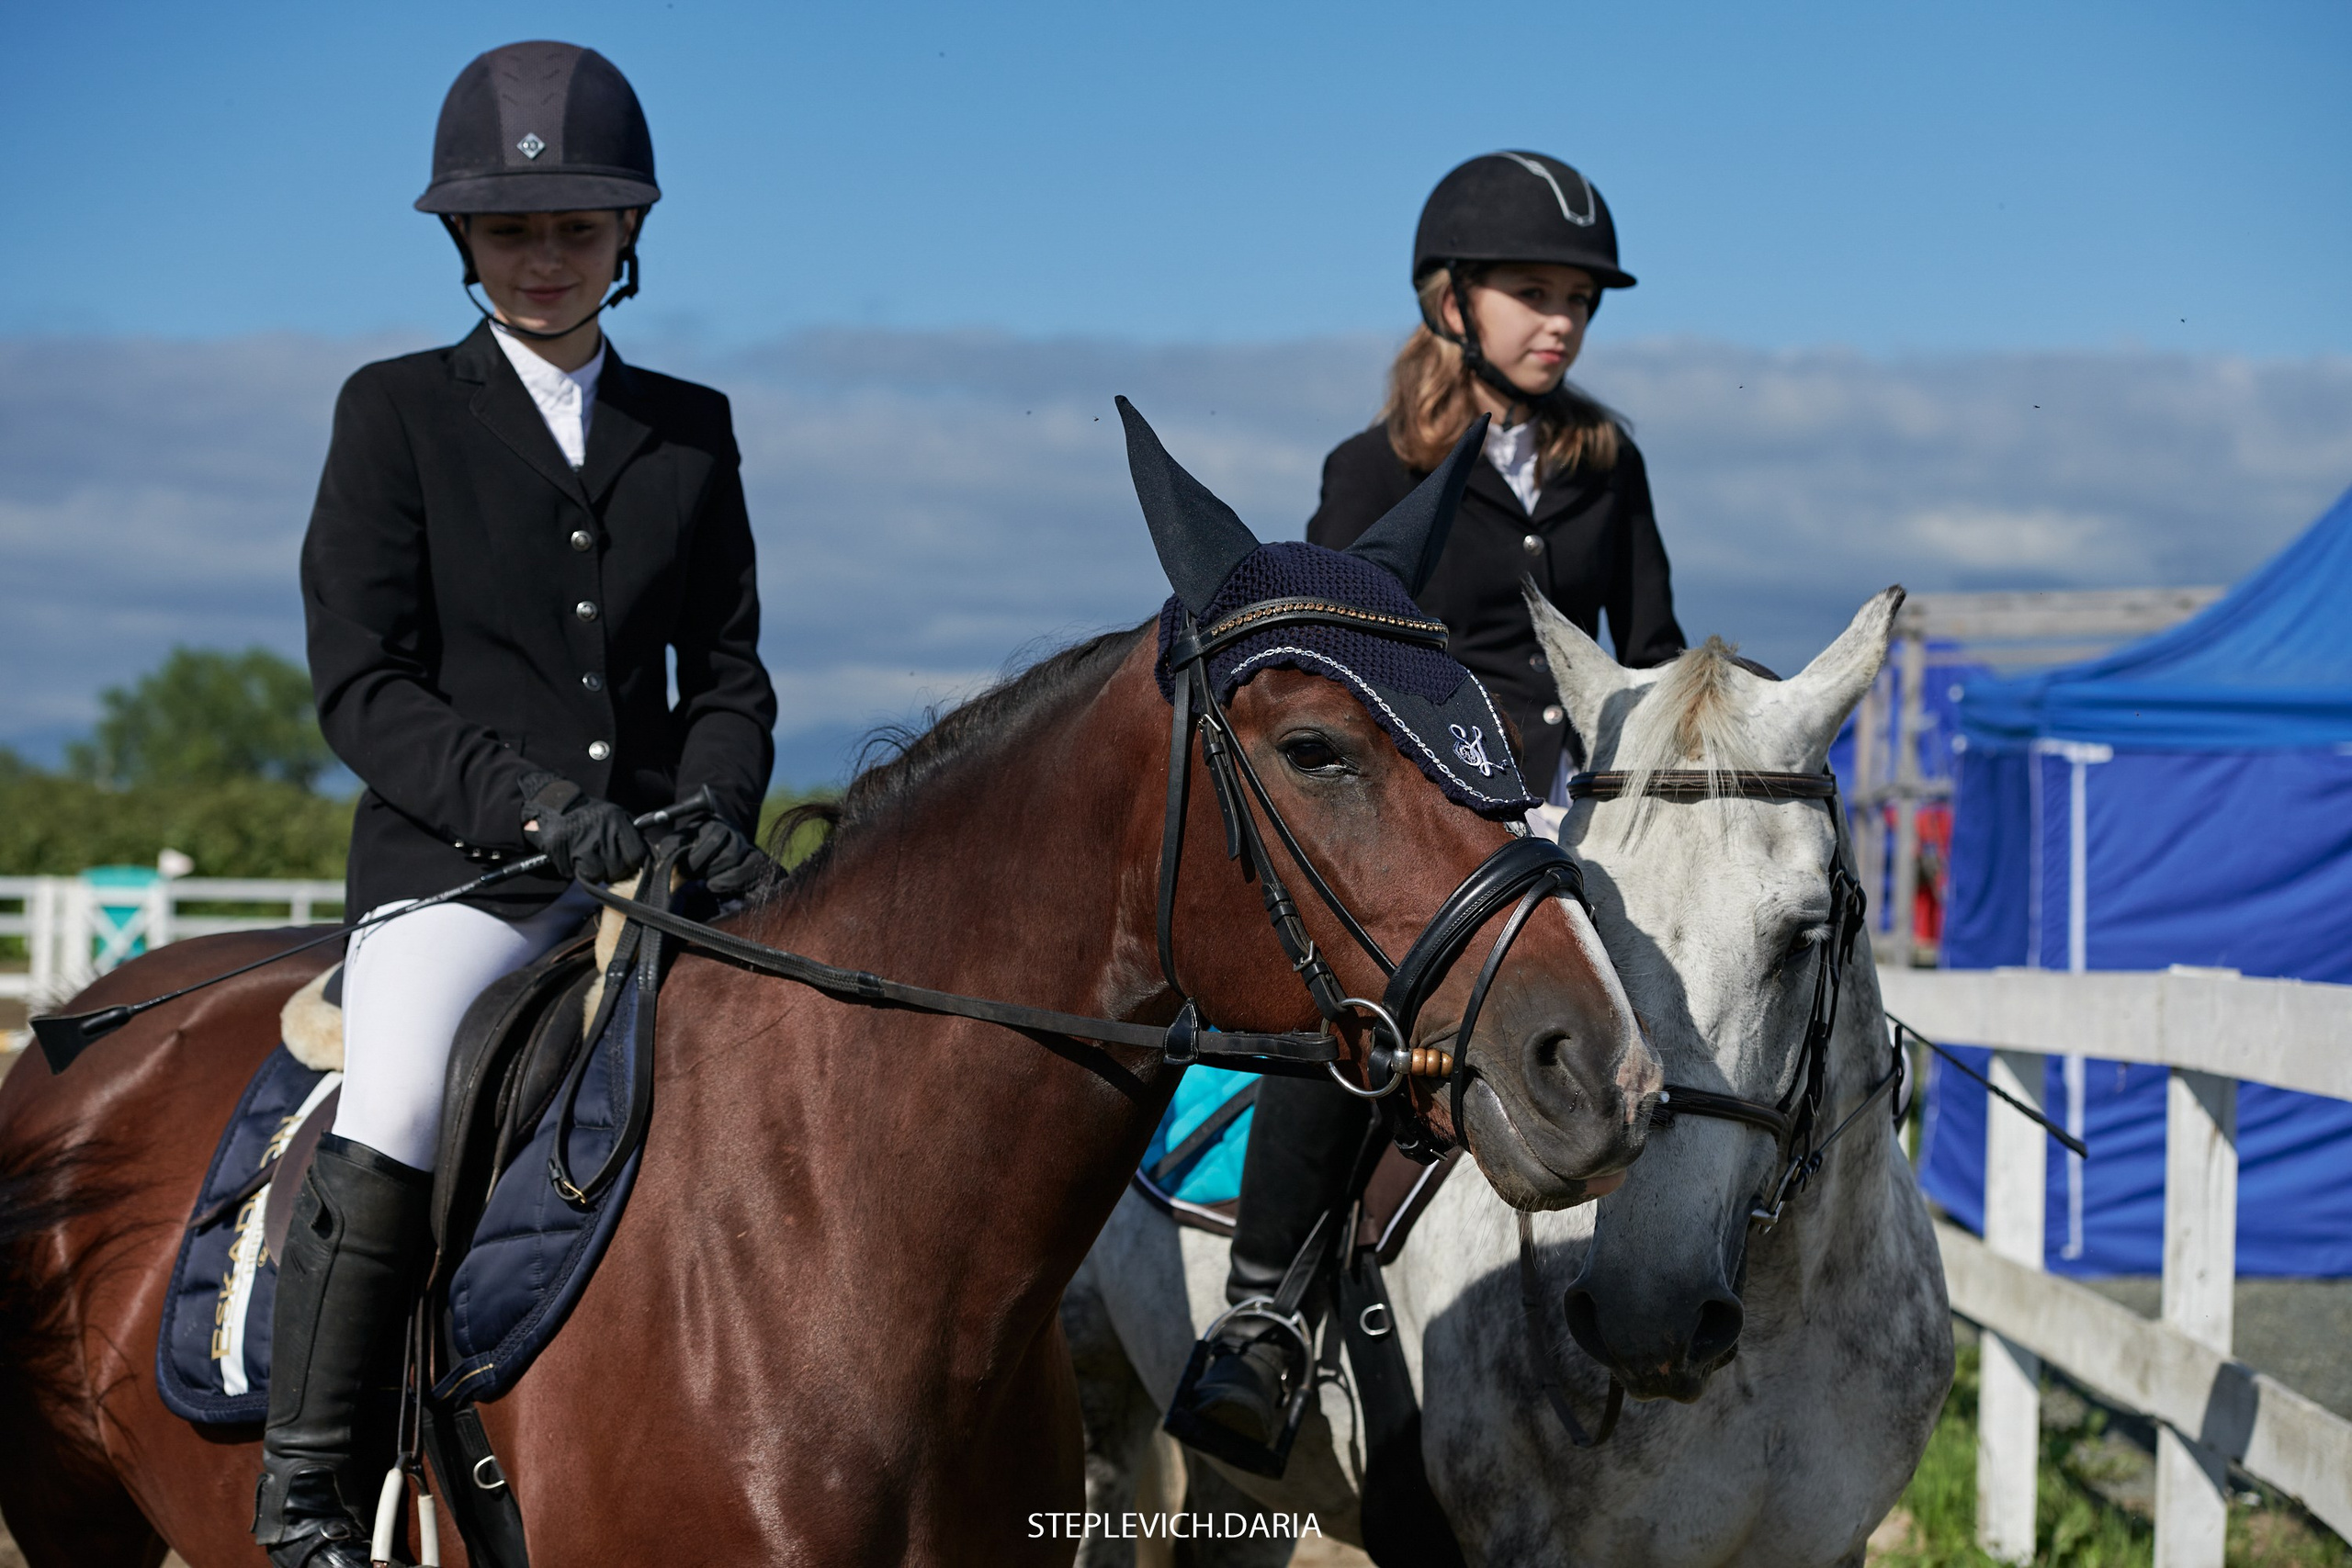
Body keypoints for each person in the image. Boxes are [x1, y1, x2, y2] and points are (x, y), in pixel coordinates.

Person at [259, 42, 777, 1564]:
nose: (543, 259)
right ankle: (308, 1487)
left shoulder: (693, 426)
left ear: (627, 237)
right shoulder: (395, 414)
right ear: (462, 243)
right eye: (508, 231)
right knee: (405, 1087)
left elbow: (729, 668)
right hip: (458, 876)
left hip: (661, 871)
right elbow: (365, 681)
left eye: (572, 229)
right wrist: (539, 810)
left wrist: (716, 806)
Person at [1169, 150, 1685, 1468]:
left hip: (1578, 832)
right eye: (1530, 290)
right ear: (1449, 302)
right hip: (1431, 832)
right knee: (1346, 1022)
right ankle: (1265, 1316)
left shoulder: (1609, 468)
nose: (1560, 318)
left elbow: (1655, 647)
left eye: (1578, 296)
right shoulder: (1366, 471)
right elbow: (1326, 677)